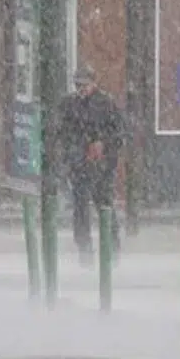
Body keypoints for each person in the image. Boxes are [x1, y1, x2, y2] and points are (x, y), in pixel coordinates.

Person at [57, 64, 126, 264]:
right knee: (80, 207)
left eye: (85, 84)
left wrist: (102, 143)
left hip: (102, 166)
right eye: (78, 84)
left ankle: (112, 248)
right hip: (79, 165)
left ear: (94, 84)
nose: (81, 89)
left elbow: (119, 132)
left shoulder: (106, 104)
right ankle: (84, 249)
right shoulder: (69, 104)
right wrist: (73, 154)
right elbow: (62, 132)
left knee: (104, 205)